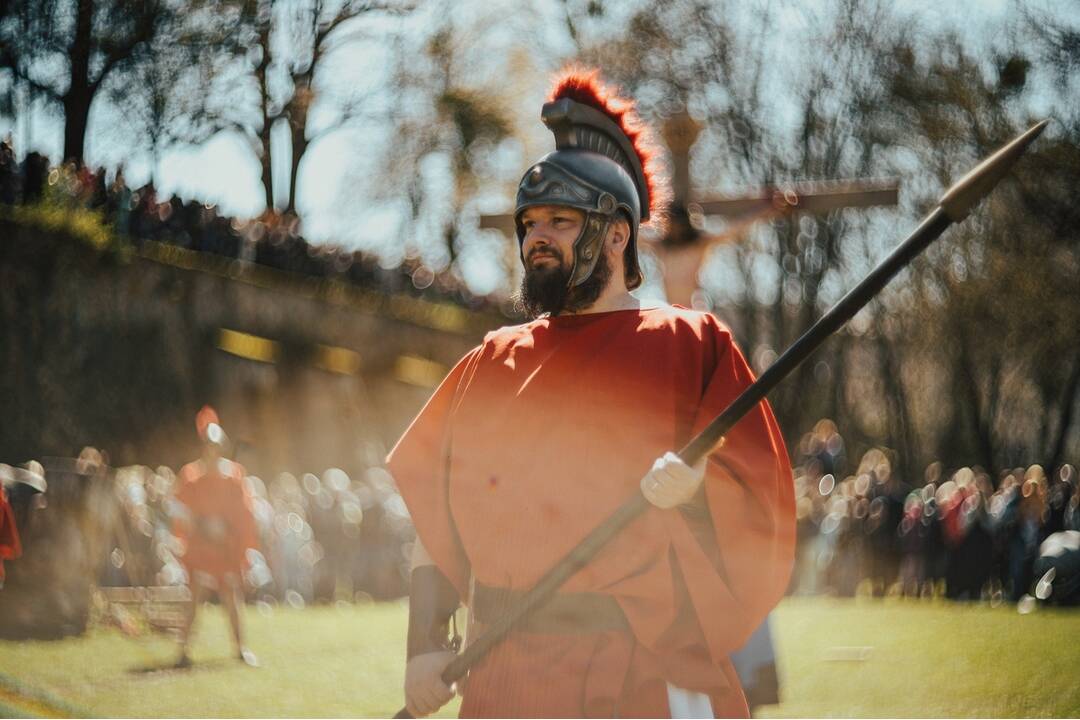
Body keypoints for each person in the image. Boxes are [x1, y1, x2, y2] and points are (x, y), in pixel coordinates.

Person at [388, 69, 795, 718]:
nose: (536, 238)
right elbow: (435, 520)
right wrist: (426, 644)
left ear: (617, 234)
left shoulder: (691, 346)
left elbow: (761, 502)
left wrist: (695, 495)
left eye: (559, 220)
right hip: (505, 677)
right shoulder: (489, 362)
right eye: (529, 224)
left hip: (640, 675)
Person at [173, 405, 260, 667]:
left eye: (216, 446)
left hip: (226, 547)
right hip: (202, 545)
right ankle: (183, 651)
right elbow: (181, 510)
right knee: (195, 597)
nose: (213, 450)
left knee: (232, 596)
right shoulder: (191, 475)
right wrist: (202, 526)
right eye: (209, 445)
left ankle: (240, 648)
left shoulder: (233, 475)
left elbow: (243, 510)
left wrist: (231, 534)